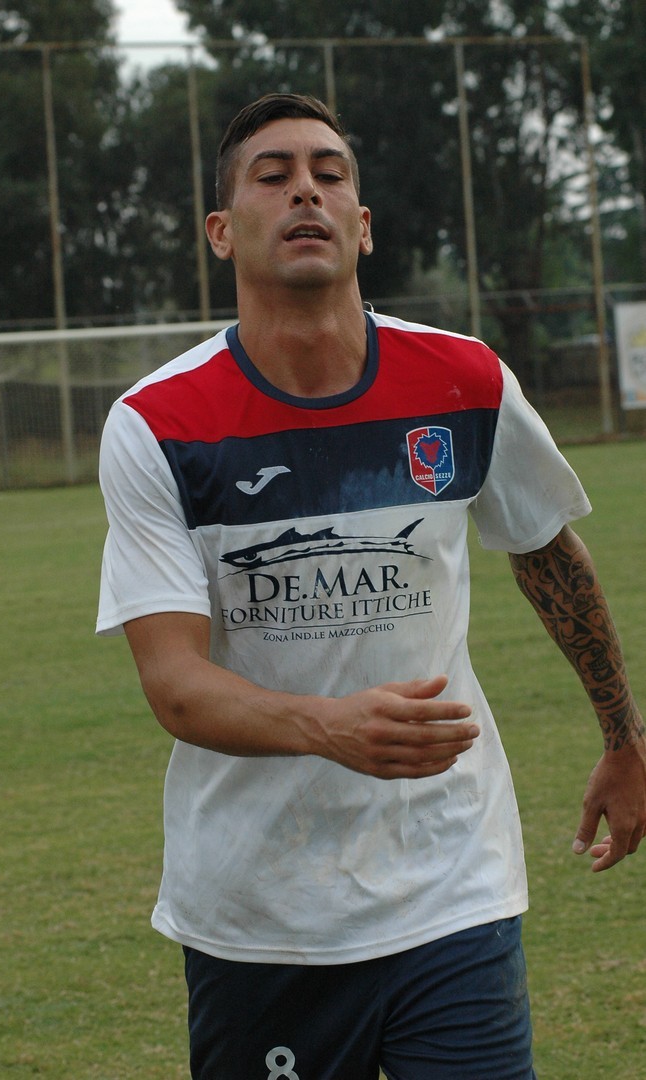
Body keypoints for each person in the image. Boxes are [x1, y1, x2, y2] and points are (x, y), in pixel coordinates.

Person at [97, 92, 646, 1080]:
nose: (304, 190)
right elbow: (174, 683)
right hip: (260, 913)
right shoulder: (157, 424)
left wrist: (623, 737)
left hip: (453, 885)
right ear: (221, 231)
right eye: (273, 176)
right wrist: (329, 728)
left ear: (362, 225)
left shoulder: (464, 381)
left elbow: (546, 552)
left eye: (329, 174)